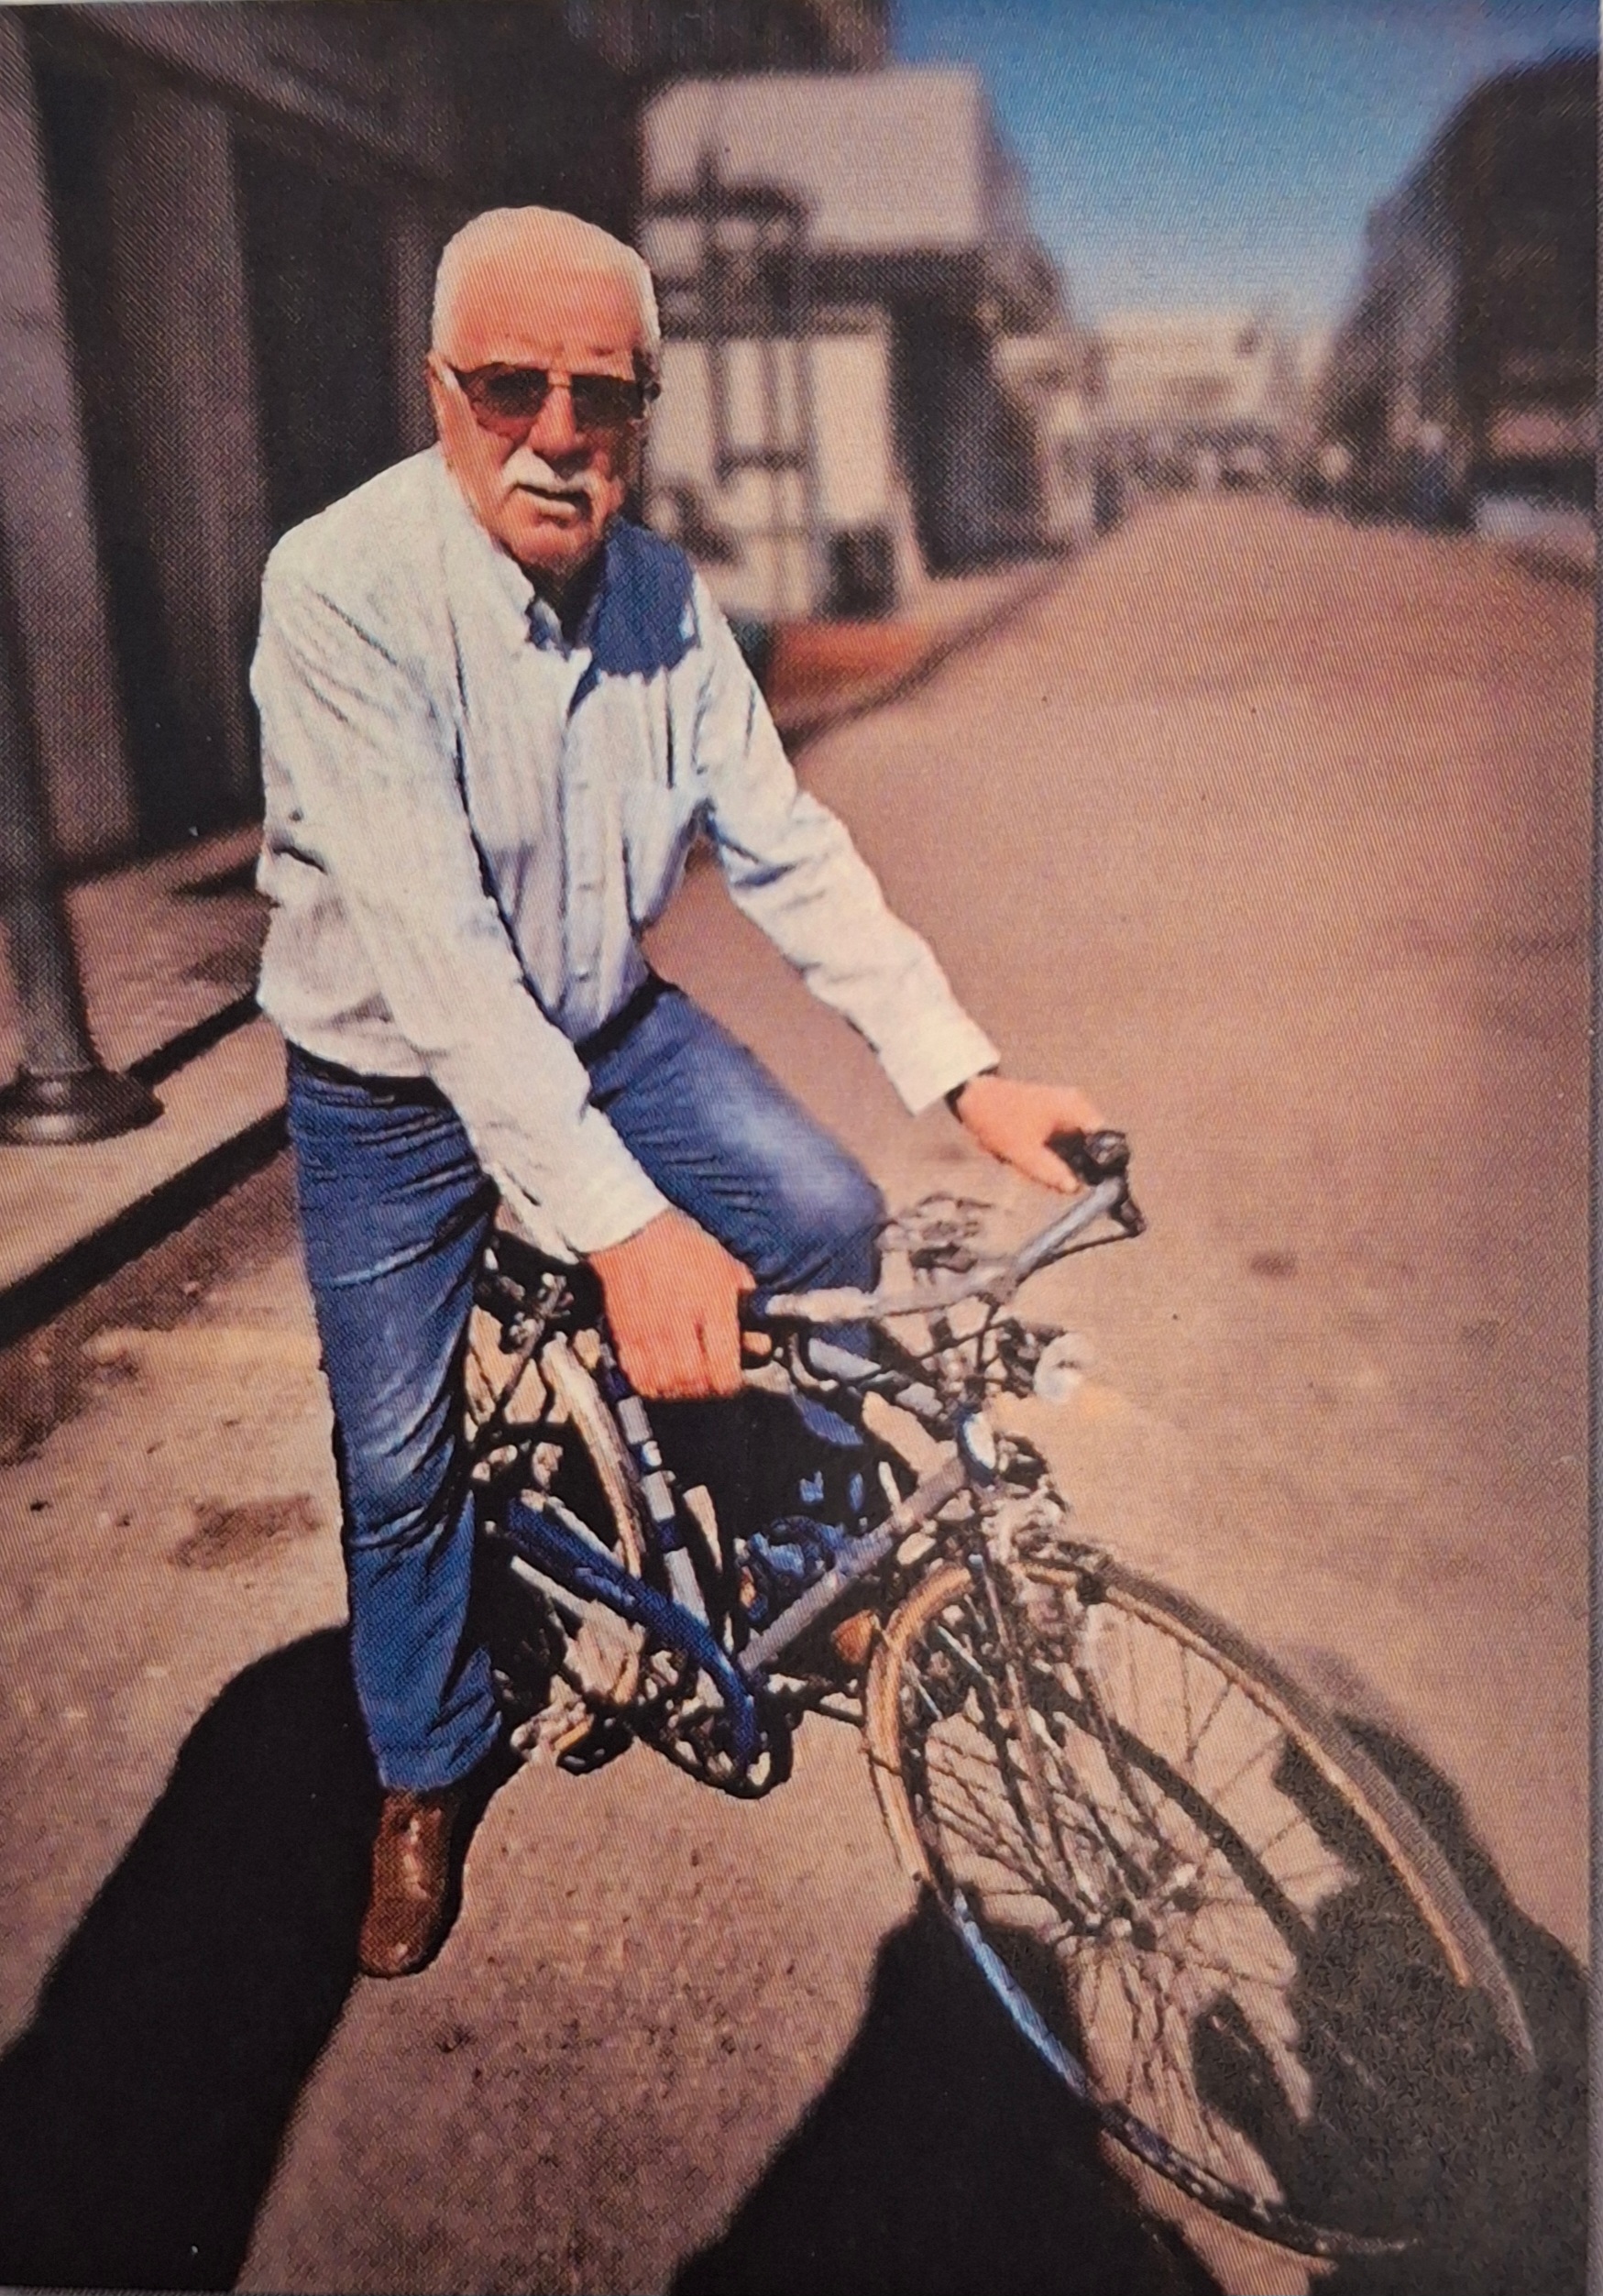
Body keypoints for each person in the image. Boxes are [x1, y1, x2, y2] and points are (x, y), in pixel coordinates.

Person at [251, 206, 1103, 1979]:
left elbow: (785, 849)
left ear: (645, 410)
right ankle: (423, 1761)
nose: (558, 435)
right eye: (512, 388)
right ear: (440, 390)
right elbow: (442, 966)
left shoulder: (661, 599)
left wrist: (967, 1076)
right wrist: (626, 1228)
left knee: (823, 1218)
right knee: (397, 1455)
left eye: (605, 396)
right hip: (391, 1072)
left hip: (603, 1023)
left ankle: (804, 1568)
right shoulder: (339, 590)